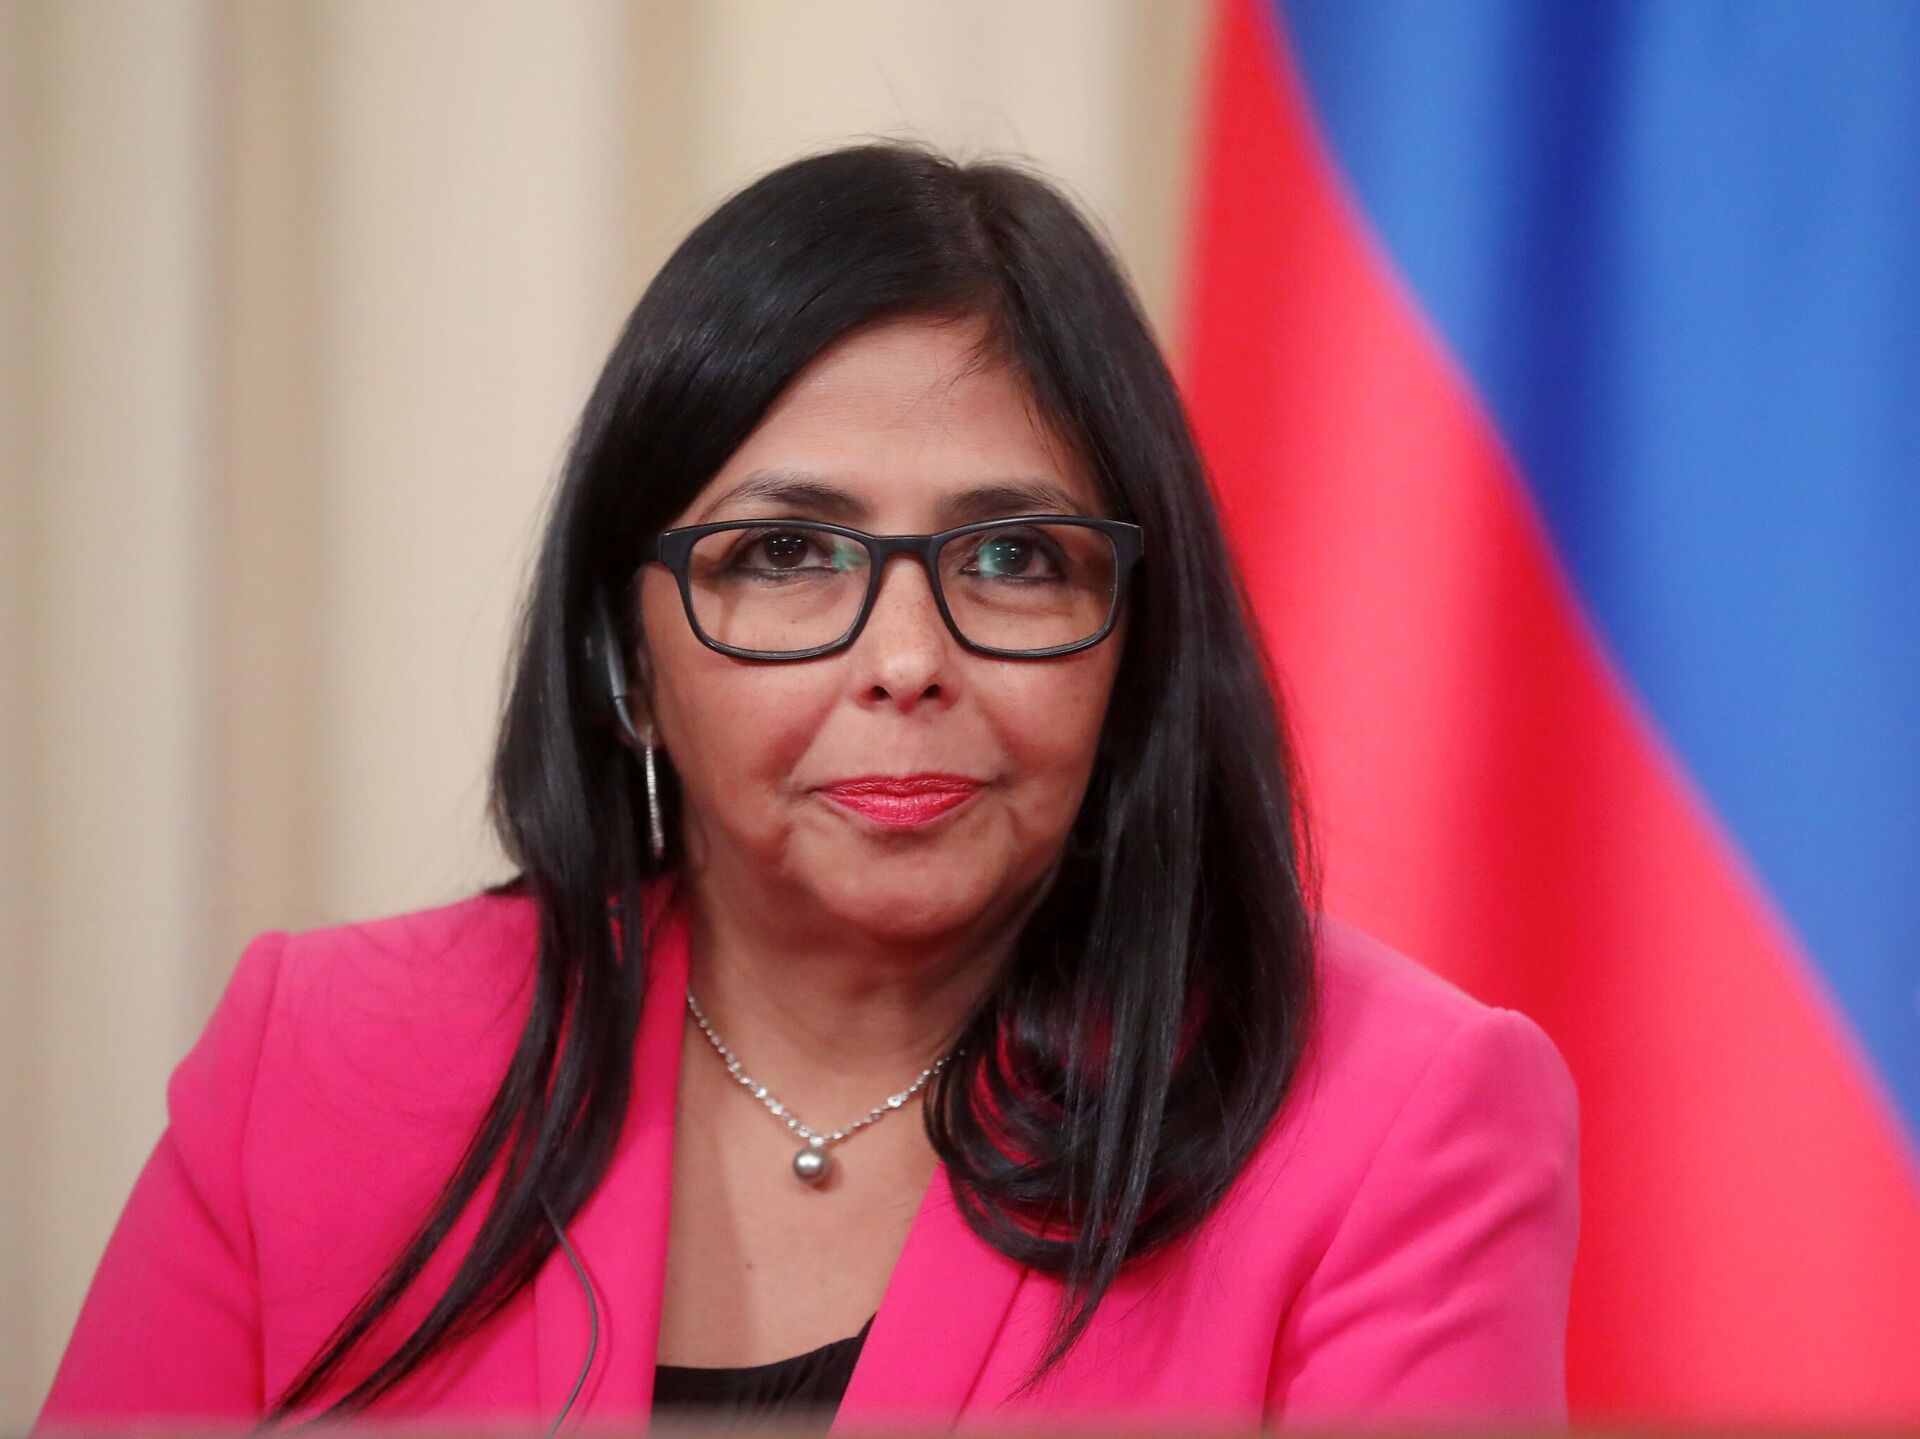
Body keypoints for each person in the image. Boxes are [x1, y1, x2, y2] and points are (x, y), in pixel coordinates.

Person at [36, 141, 1579, 1435]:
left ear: (1137, 643)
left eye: (1014, 556)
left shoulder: (1395, 1125)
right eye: (785, 552)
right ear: (625, 653)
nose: (907, 661)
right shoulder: (313, 1065)